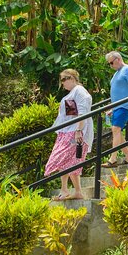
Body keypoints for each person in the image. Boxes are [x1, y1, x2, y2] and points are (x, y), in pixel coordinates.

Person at [45, 69, 94, 201]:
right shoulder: (72, 93)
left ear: (72, 78)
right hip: (67, 131)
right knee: (68, 161)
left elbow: (82, 112)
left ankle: (71, 190)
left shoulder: (79, 91)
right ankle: (67, 190)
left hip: (75, 132)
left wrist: (79, 130)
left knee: (63, 158)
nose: (62, 83)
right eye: (61, 80)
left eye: (64, 80)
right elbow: (71, 114)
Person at [103, 51, 128, 168]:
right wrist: (112, 108)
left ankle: (113, 158)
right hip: (117, 107)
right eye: (109, 64)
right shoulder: (117, 73)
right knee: (118, 132)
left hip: (125, 106)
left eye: (111, 63)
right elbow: (118, 92)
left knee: (115, 129)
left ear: (118, 59)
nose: (111, 66)